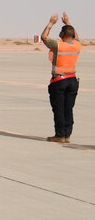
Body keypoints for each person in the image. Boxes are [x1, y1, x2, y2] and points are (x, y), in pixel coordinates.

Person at [41, 12, 81, 143]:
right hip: (72, 81)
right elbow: (76, 36)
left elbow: (44, 37)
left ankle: (60, 135)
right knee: (68, 109)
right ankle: (67, 135)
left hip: (59, 81)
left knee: (59, 109)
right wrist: (68, 22)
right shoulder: (77, 44)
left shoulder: (59, 45)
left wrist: (51, 23)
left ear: (62, 35)